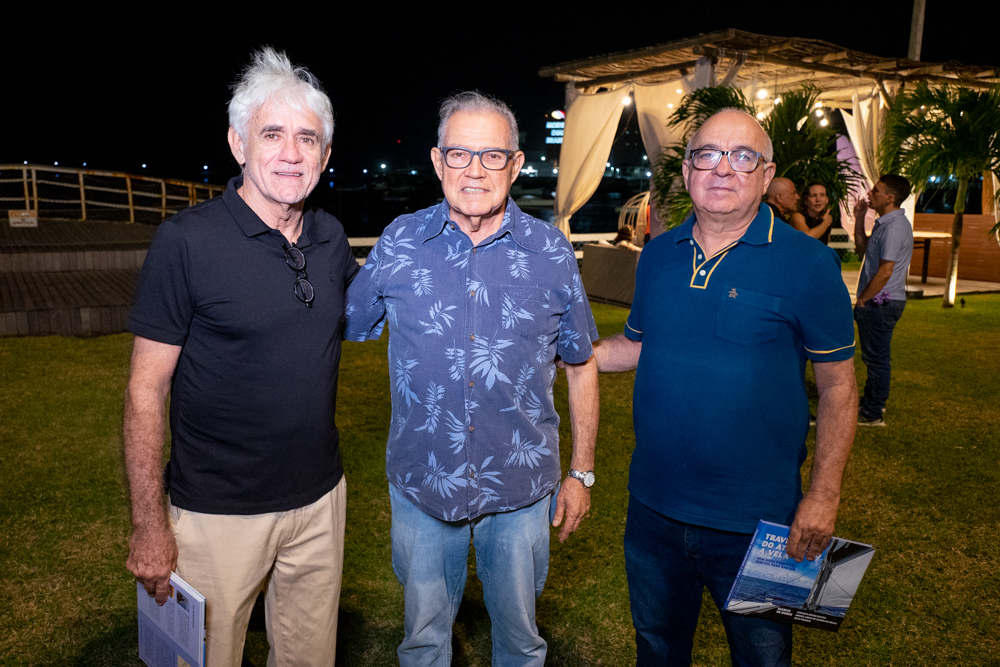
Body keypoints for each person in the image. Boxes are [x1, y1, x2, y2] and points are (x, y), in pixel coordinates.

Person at [592, 109, 858, 666]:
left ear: (767, 174)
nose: (723, 168)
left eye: (742, 156)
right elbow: (639, 345)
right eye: (708, 154)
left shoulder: (809, 264)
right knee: (657, 648)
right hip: (653, 511)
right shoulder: (658, 254)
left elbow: (838, 387)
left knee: (763, 658)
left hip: (761, 522)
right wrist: (562, 356)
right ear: (688, 170)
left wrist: (823, 496)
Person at [345, 91, 599, 666]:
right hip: (423, 481)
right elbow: (344, 323)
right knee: (423, 641)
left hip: (521, 488)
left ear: (516, 163)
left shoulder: (552, 252)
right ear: (438, 162)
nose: (475, 171)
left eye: (492, 155)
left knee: (521, 643)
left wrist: (581, 472)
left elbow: (581, 365)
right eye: (460, 154)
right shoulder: (400, 242)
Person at [123, 47, 357, 667]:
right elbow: (145, 389)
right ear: (238, 144)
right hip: (215, 514)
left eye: (307, 138)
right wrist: (149, 525)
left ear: (325, 155)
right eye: (272, 134)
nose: (291, 153)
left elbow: (393, 313)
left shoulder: (331, 238)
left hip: (320, 503)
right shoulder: (185, 242)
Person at [852, 175, 914, 426]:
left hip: (881, 302)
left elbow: (886, 270)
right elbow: (862, 250)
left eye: (876, 190)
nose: (870, 193)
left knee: (876, 359)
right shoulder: (885, 223)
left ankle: (872, 412)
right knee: (874, 357)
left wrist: (863, 300)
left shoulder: (893, 227)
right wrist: (859, 218)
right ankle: (873, 401)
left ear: (890, 198)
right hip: (880, 301)